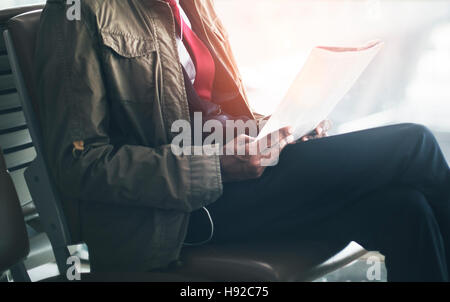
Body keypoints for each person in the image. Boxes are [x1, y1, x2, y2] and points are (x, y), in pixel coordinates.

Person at [35, 0, 450, 281]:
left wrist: (280, 128)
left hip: (233, 181)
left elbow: (210, 111)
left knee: (402, 209)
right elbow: (80, 163)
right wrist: (215, 165)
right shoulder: (76, 13)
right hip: (176, 214)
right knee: (412, 144)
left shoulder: (190, 6)